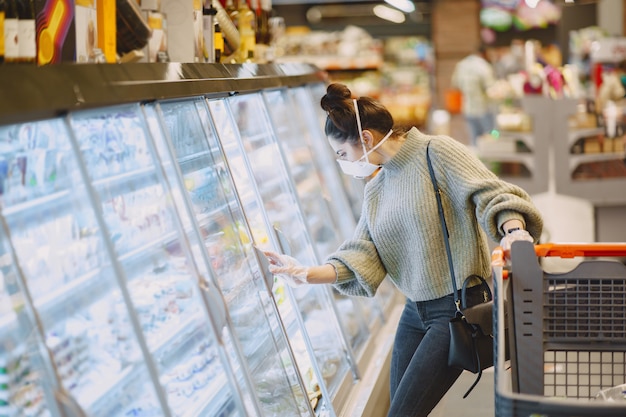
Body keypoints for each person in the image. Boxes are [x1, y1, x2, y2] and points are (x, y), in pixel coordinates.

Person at [264, 83, 543, 417]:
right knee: (400, 408)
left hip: (457, 306)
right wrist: (305, 273)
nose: (342, 164)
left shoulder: (435, 152)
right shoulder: (376, 188)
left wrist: (514, 231)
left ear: (365, 139)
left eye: (341, 155)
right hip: (414, 312)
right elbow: (362, 253)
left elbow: (490, 193)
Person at [451, 46, 497, 149]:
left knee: (474, 141)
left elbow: (455, 84)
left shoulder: (461, 65)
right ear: (484, 53)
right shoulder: (483, 66)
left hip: (467, 108)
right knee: (489, 139)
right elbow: (490, 88)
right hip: (484, 108)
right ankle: (488, 164)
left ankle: (476, 161)